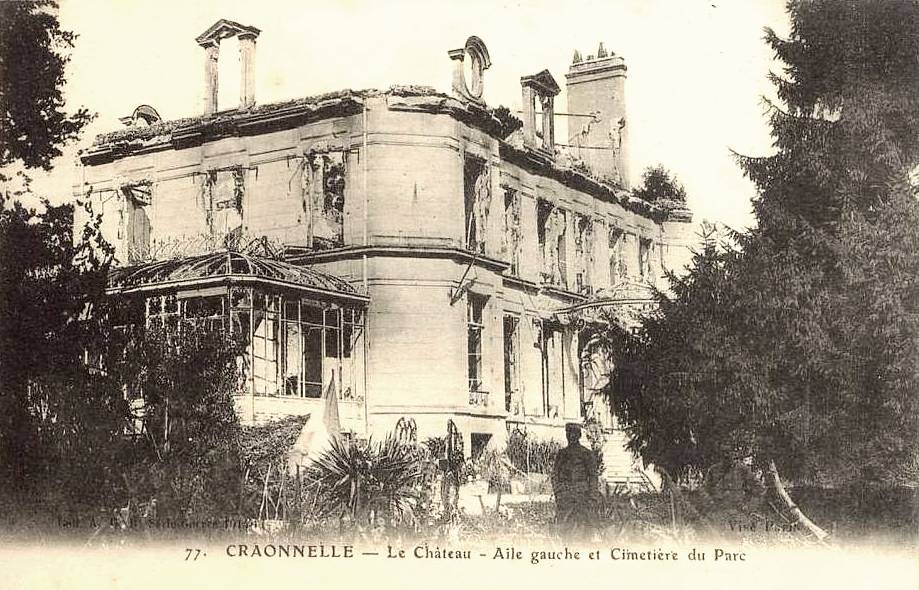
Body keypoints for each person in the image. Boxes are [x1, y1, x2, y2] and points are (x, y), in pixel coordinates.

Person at [551, 423, 599, 536]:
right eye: (569, 433)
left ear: (579, 435)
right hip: (565, 498)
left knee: (584, 531)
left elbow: (593, 476)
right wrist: (558, 492)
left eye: (574, 434)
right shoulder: (562, 454)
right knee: (564, 531)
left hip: (582, 497)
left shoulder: (586, 454)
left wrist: (592, 497)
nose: (571, 436)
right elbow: (555, 475)